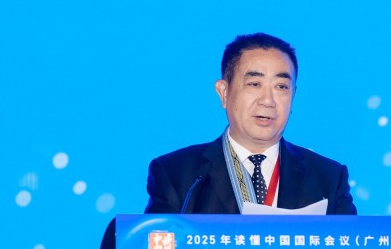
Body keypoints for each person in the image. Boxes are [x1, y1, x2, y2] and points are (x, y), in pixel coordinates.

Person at [145, 32, 357, 215]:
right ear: (224, 93)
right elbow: (157, 246)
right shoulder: (177, 174)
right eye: (254, 84)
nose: (268, 100)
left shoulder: (328, 177)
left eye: (281, 87)